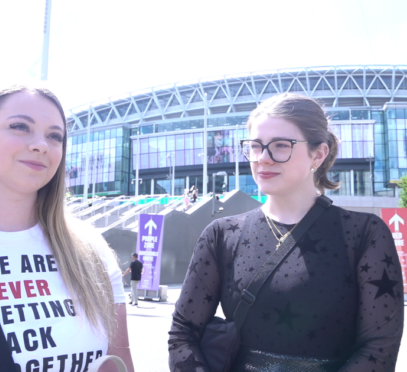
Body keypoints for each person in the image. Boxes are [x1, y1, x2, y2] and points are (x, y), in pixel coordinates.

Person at [168, 93, 403, 371]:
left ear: (319, 153)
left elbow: (379, 347)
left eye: (281, 146)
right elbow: (183, 334)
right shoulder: (221, 235)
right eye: (255, 146)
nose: (263, 159)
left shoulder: (364, 234)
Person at [0, 85, 134, 372]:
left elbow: (118, 364)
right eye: (19, 126)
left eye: (55, 136)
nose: (41, 144)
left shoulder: (90, 250)